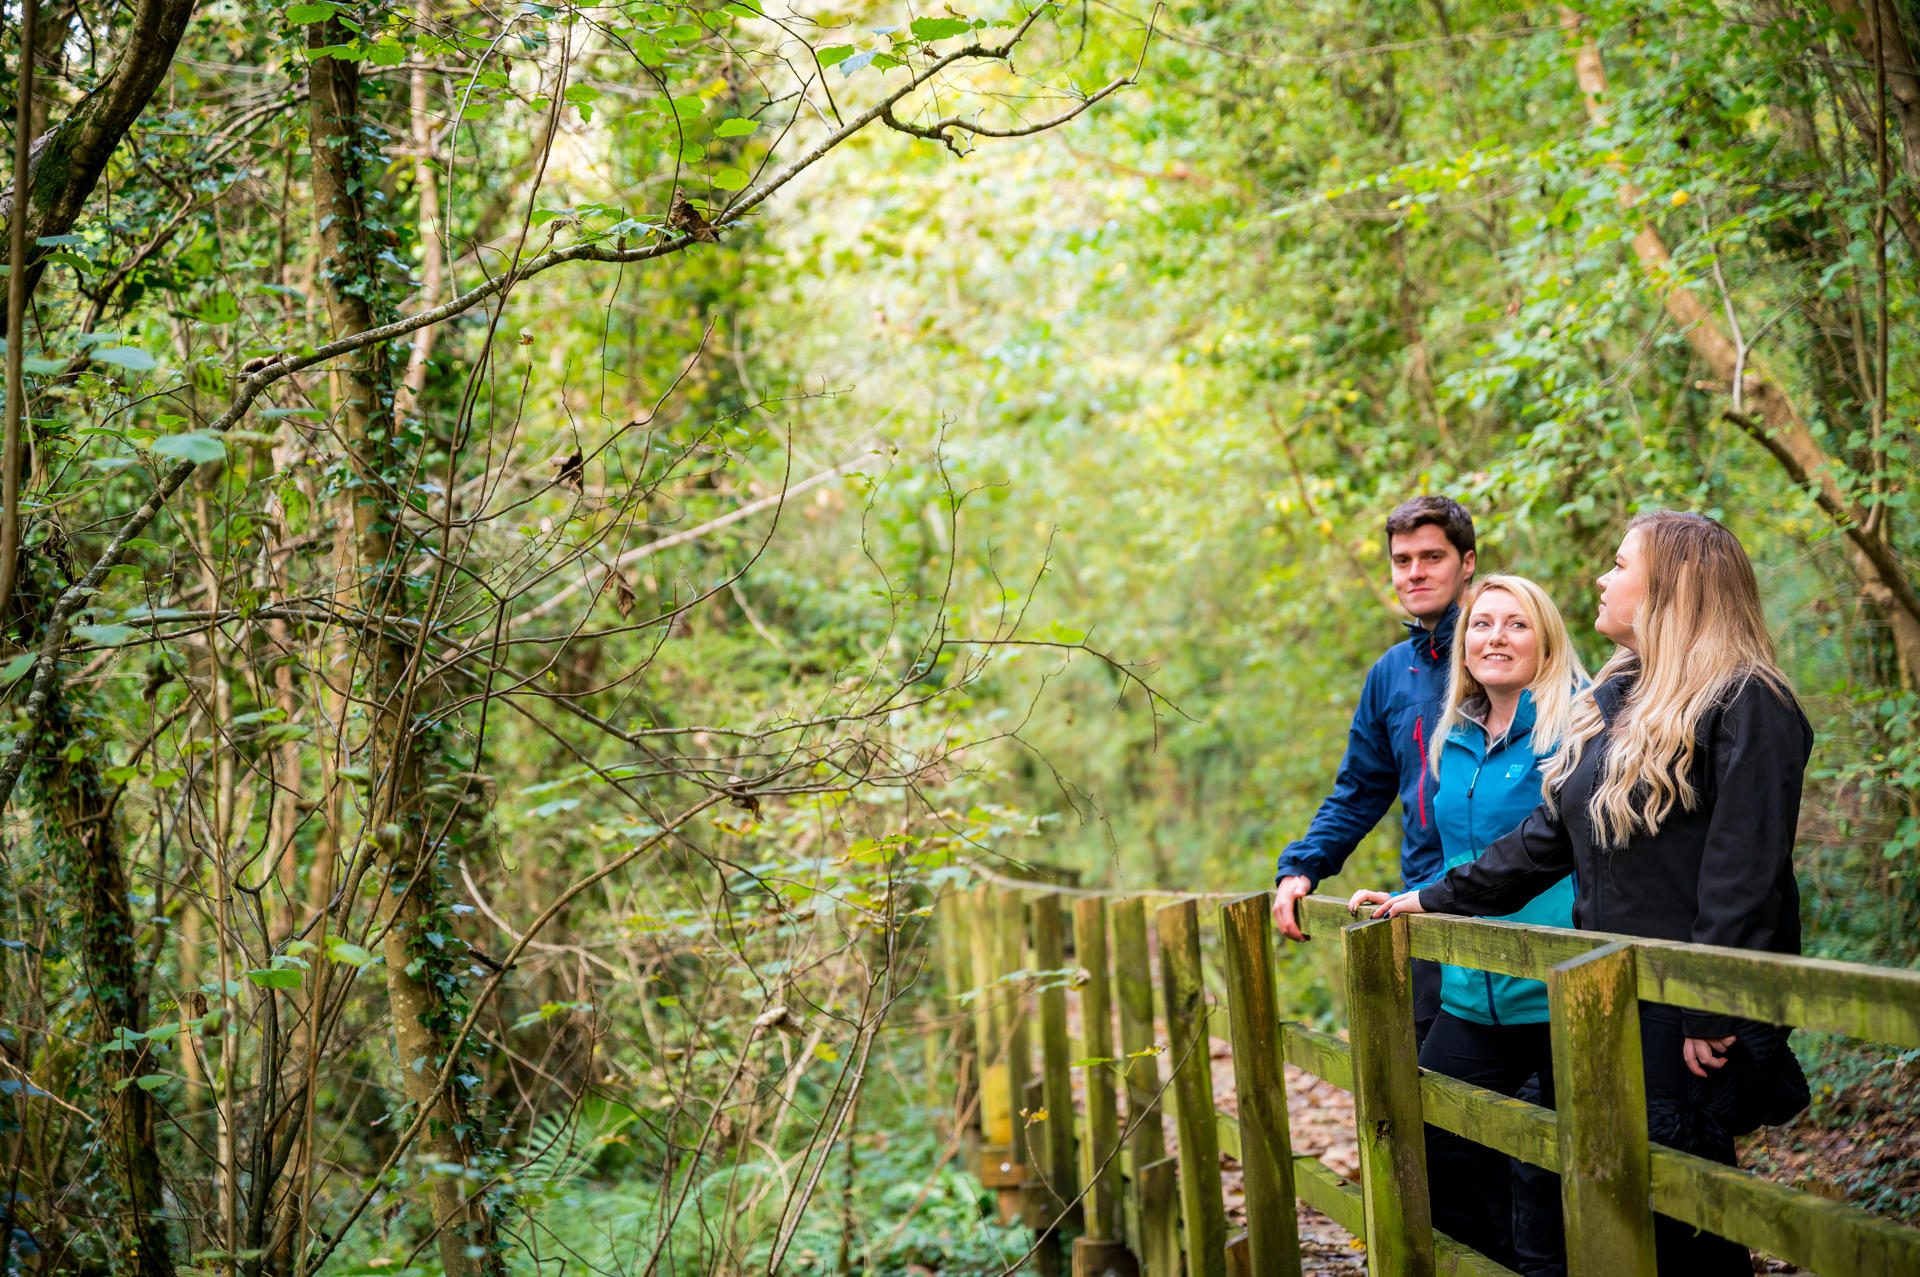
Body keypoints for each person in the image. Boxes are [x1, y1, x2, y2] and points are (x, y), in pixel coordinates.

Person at [1359, 511, 1812, 1276]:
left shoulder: (1748, 699)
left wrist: (1709, 1004)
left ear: (1672, 587)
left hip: (1685, 1011)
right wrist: (1434, 897)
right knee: (1553, 1185)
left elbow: (1746, 868)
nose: (1601, 578)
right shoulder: (1622, 695)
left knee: (1682, 1220)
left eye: (1618, 564)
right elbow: (1549, 839)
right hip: (1603, 995)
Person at [1349, 575, 1585, 1275]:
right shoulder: (1451, 734)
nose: (1495, 638)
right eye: (1481, 624)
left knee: (1545, 1169)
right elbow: (1454, 851)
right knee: (1430, 1136)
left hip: (1557, 987)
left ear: (1546, 636)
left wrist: (1434, 897)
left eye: (1516, 624)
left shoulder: (1577, 723)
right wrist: (1411, 896)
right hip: (1469, 988)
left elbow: (1546, 849)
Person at [1271, 495, 1476, 1044]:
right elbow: (1361, 789)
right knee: (1431, 1095)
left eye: (1432, 557)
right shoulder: (1392, 673)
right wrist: (1302, 867)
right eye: (1402, 560)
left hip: (1511, 906)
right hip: (1422, 906)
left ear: (1468, 562)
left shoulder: (1502, 650)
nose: (1415, 573)